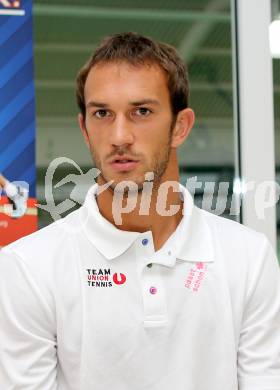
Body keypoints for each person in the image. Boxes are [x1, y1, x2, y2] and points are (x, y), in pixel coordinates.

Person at [0, 32, 280, 390]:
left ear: (181, 126)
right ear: (85, 129)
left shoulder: (248, 258)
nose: (119, 135)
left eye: (141, 111)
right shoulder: (29, 267)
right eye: (102, 113)